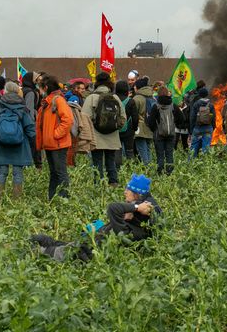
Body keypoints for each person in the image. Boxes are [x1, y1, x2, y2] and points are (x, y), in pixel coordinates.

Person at [30, 173, 162, 261]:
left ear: (136, 194)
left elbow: (113, 208)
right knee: (77, 243)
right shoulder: (146, 204)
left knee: (71, 251)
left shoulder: (143, 210)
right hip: (100, 239)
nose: (124, 192)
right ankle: (48, 243)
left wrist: (135, 208)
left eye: (128, 190)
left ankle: (42, 250)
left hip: (98, 248)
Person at [0, 81, 36, 198]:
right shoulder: (23, 108)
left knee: (1, 173)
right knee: (18, 174)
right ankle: (16, 200)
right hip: (19, 145)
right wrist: (31, 141)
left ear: (5, 91)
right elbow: (30, 128)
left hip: (1, 144)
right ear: (18, 91)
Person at [82, 72, 126, 186]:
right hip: (112, 137)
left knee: (97, 163)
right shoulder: (115, 97)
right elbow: (123, 118)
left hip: (96, 137)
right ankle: (113, 183)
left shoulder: (91, 98)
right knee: (110, 161)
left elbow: (84, 118)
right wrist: (115, 128)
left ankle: (99, 184)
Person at [36, 75, 73, 200]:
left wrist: (55, 134)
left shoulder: (58, 100)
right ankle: (52, 198)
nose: (39, 90)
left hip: (58, 144)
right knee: (54, 173)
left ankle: (64, 199)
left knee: (60, 173)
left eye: (40, 87)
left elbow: (68, 120)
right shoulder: (48, 102)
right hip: (51, 144)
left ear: (45, 87)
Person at [148, 86, 184, 174]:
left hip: (158, 135)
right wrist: (175, 124)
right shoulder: (173, 106)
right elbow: (181, 118)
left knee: (160, 156)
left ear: (158, 94)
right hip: (171, 134)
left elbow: (151, 121)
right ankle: (169, 174)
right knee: (169, 155)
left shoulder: (155, 106)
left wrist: (155, 130)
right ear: (168, 93)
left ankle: (160, 174)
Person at [115, 80, 139, 167]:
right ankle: (130, 168)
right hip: (128, 130)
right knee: (129, 151)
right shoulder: (131, 101)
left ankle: (117, 168)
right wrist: (135, 128)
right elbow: (135, 117)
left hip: (116, 129)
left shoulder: (114, 100)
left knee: (117, 150)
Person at [22, 71, 42, 169]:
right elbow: (29, 108)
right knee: (33, 144)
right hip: (30, 122)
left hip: (22, 121)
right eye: (36, 79)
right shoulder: (30, 92)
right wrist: (30, 124)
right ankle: (33, 164)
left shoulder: (23, 90)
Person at [133, 77, 155, 165]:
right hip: (150, 126)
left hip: (140, 128)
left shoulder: (137, 98)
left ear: (138, 87)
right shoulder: (152, 97)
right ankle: (150, 167)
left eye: (135, 86)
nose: (134, 88)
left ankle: (146, 169)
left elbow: (133, 114)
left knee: (142, 150)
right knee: (148, 149)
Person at [189, 87, 216, 158]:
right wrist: (213, 127)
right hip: (208, 128)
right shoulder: (211, 105)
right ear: (207, 94)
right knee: (206, 148)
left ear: (199, 95)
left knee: (193, 147)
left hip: (197, 128)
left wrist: (191, 130)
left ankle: (191, 163)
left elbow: (192, 117)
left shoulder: (196, 104)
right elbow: (213, 117)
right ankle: (204, 164)